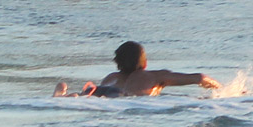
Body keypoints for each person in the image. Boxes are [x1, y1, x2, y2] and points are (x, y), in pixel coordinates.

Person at [53, 41, 220, 97]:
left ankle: (63, 94)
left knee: (81, 95)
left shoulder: (111, 77)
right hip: (126, 97)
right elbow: (200, 77)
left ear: (117, 63)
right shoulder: (155, 77)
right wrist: (224, 90)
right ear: (145, 63)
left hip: (103, 91)